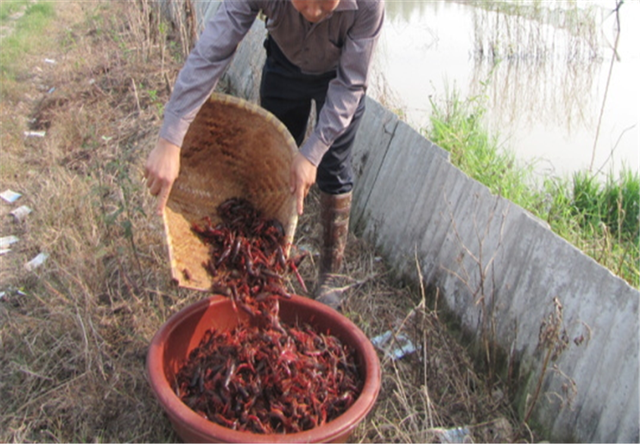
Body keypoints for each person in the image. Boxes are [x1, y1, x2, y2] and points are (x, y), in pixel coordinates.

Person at [144, 0, 385, 309]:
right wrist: (171, 136)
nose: (313, 13)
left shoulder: (369, 6)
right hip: (284, 65)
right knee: (271, 161)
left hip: (338, 76)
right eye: (305, 1)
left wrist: (312, 153)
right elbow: (213, 49)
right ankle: (263, 257)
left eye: (325, 5)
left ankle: (330, 274)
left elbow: (352, 85)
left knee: (333, 166)